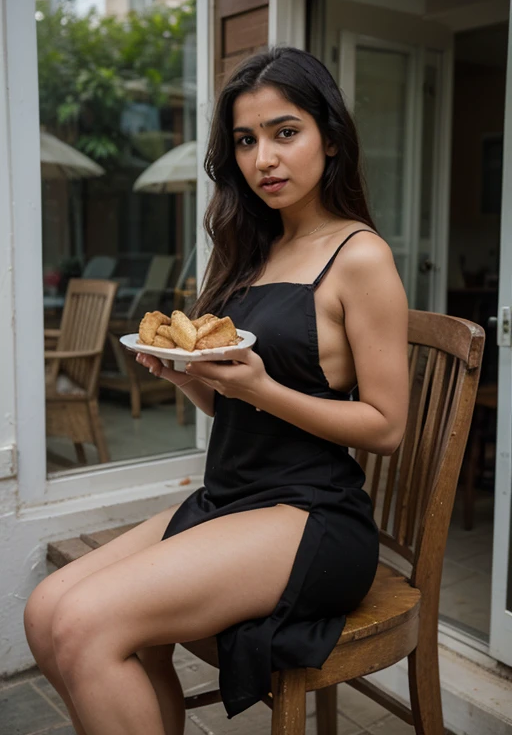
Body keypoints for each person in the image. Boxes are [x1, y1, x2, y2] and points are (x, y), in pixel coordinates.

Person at [24, 46, 409, 735]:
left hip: (311, 513)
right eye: (246, 139)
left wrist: (259, 389)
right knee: (46, 609)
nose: (264, 157)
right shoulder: (252, 252)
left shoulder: (361, 257)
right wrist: (192, 381)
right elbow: (238, 402)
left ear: (330, 137)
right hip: (232, 495)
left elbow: (386, 426)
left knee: (88, 624)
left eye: (285, 132)